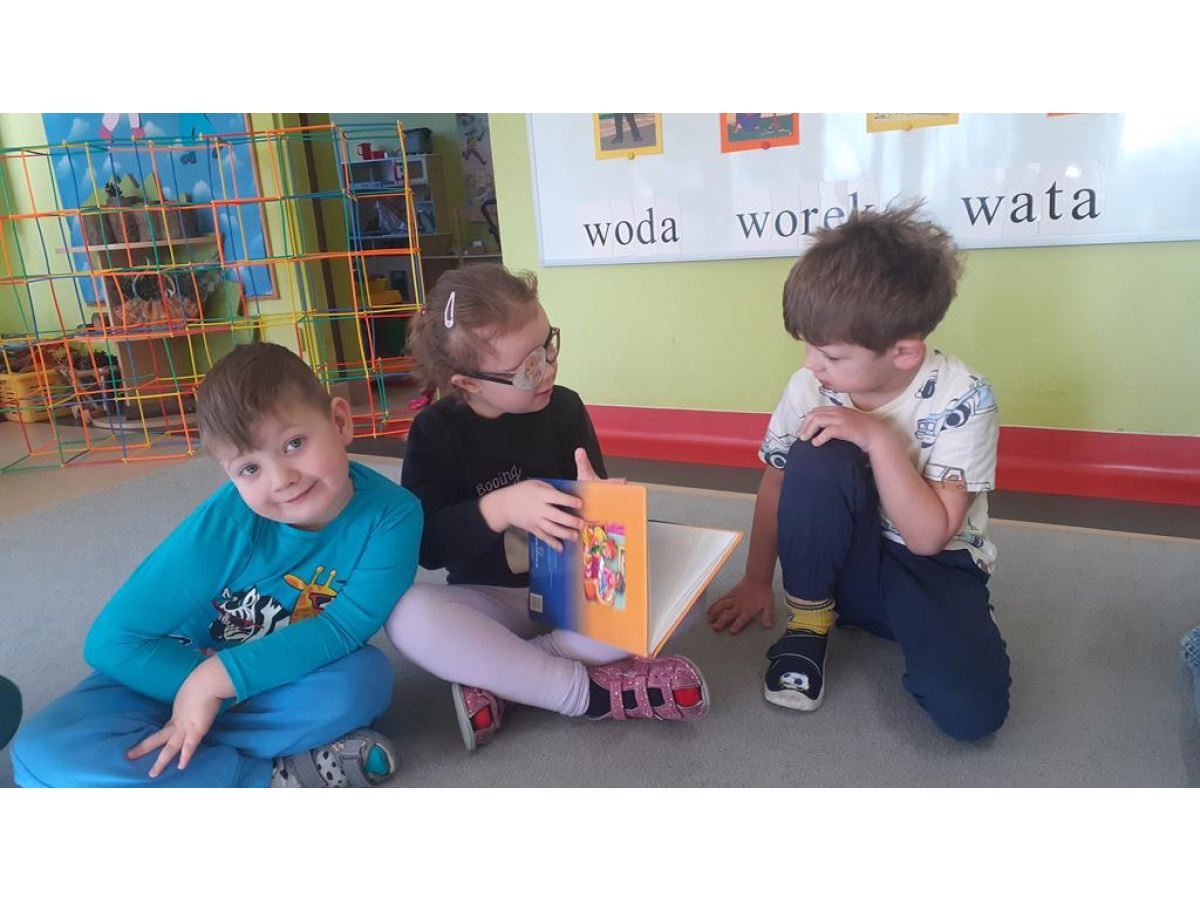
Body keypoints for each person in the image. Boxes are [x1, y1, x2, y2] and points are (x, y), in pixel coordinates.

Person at [11, 342, 422, 786]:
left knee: (363, 681)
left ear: (340, 421)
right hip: (166, 674)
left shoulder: (393, 515)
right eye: (250, 469)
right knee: (38, 754)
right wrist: (196, 683)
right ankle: (271, 774)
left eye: (294, 444)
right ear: (230, 475)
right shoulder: (228, 524)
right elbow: (112, 642)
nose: (282, 479)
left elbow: (342, 629)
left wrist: (217, 681)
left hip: (279, 676)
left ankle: (201, 768)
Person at [708, 203, 1011, 741]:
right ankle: (809, 622)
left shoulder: (964, 397)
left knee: (972, 716)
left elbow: (927, 538)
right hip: (839, 562)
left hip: (932, 567)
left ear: (904, 353)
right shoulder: (810, 386)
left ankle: (907, 624)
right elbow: (777, 483)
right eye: (807, 345)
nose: (810, 364)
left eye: (829, 355)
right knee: (816, 451)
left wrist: (877, 437)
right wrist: (756, 580)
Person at [386, 263, 709, 751]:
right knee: (406, 615)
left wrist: (601, 501)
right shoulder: (435, 432)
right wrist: (498, 509)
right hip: (491, 601)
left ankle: (512, 676)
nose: (549, 369)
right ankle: (581, 691)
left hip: (575, 594)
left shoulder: (564, 408)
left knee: (689, 592)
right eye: (528, 367)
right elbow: (428, 546)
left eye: (548, 346)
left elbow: (594, 516)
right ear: (468, 384)